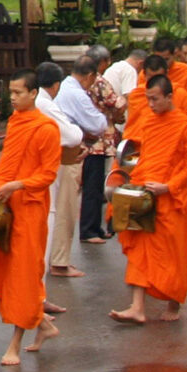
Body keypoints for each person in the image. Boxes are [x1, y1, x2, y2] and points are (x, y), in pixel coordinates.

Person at [0, 70, 61, 365]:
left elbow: (47, 174)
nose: (13, 97)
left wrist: (17, 185)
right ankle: (43, 325)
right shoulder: (15, 122)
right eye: (10, 92)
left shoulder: (46, 128)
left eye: (19, 92)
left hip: (30, 209)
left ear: (34, 93)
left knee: (23, 276)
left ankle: (15, 343)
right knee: (6, 273)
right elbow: (8, 163)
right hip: (6, 207)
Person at [109, 75, 187, 324]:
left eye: (155, 99)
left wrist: (168, 187)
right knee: (140, 248)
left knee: (173, 254)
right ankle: (137, 307)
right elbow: (143, 157)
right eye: (148, 100)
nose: (151, 104)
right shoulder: (148, 122)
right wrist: (131, 183)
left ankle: (173, 303)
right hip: (145, 193)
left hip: (171, 198)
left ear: (170, 97)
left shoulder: (186, 126)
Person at [35, 62, 84, 316]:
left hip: (37, 176)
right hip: (39, 180)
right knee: (43, 235)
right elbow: (73, 136)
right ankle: (36, 300)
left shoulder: (39, 104)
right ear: (56, 85)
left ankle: (39, 296)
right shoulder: (43, 105)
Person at [54, 56, 109, 247]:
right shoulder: (76, 94)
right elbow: (98, 125)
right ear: (90, 76)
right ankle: (63, 257)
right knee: (69, 205)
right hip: (71, 151)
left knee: (63, 204)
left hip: (64, 150)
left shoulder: (64, 88)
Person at [82, 45, 125, 243]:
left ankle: (94, 227)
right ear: (102, 63)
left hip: (87, 139)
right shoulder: (98, 82)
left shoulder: (79, 82)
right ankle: (89, 229)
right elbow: (118, 103)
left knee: (94, 186)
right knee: (94, 187)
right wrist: (117, 117)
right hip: (98, 141)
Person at [126, 55, 187, 139]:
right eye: (151, 78)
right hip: (140, 144)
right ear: (144, 75)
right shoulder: (136, 94)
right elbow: (134, 127)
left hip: (172, 143)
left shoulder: (179, 93)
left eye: (159, 77)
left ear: (167, 74)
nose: (155, 82)